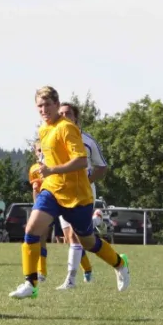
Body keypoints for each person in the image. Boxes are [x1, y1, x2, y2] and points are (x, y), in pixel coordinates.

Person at [9, 86, 130, 300]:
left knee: (88, 242)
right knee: (31, 229)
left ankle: (120, 263)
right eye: (40, 106)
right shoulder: (43, 130)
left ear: (56, 104)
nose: (43, 109)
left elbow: (82, 161)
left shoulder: (67, 128)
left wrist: (52, 169)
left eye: (48, 104)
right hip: (52, 190)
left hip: (77, 196)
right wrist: (44, 175)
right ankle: (31, 284)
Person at [55, 102, 109, 289]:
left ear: (76, 117)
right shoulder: (54, 137)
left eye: (68, 113)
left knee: (78, 237)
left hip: (82, 193)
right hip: (61, 192)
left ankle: (70, 279)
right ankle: (97, 222)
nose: (64, 116)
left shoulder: (87, 140)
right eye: (60, 113)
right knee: (71, 237)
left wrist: (89, 181)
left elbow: (102, 166)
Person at [28, 141, 50, 282]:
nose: (41, 152)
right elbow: (35, 190)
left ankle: (86, 269)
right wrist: (37, 207)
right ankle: (41, 271)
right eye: (39, 150)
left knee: (76, 237)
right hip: (44, 206)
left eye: (44, 149)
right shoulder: (34, 169)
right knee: (40, 238)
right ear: (35, 152)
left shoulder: (53, 166)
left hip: (59, 202)